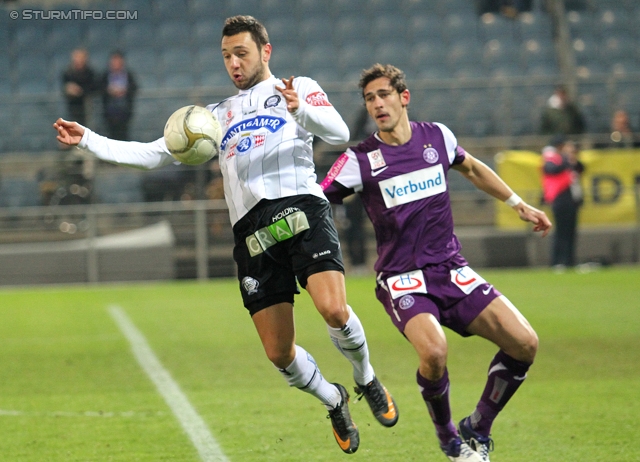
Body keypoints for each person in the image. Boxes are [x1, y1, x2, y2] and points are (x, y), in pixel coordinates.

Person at [53, 15, 397, 455]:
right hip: (252, 232)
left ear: (265, 52)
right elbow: (152, 154)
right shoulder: (213, 117)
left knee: (333, 308)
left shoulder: (296, 88)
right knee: (279, 353)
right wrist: (89, 140)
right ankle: (334, 399)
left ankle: (366, 378)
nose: (234, 63)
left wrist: (300, 110)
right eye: (226, 56)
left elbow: (340, 132)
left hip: (301, 209)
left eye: (242, 53)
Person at [321, 64, 551, 462]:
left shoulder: (438, 137)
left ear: (403, 97)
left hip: (450, 268)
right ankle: (450, 441)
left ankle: (477, 425)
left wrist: (519, 204)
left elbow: (474, 168)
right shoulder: (358, 159)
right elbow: (319, 197)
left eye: (384, 95)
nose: (377, 104)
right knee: (434, 352)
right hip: (402, 278)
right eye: (369, 99)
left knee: (526, 343)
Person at [542, 136, 584, 270]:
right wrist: (566, 158)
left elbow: (581, 168)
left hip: (572, 200)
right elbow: (551, 169)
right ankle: (558, 261)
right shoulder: (554, 159)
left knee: (571, 232)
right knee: (561, 231)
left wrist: (572, 159)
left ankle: (569, 260)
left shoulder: (570, 162)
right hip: (560, 198)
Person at [100, 50, 138, 141]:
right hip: (109, 112)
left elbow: (134, 88)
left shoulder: (128, 75)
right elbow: (99, 88)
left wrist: (124, 91)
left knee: (123, 137)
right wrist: (109, 91)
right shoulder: (105, 76)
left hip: (125, 111)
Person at [61, 48, 97, 127]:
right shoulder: (68, 73)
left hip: (87, 107)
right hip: (72, 107)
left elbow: (93, 88)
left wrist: (80, 91)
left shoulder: (90, 73)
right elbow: (64, 87)